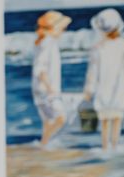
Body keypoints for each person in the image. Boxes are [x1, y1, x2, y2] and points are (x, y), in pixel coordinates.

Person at [84, 8, 124, 151]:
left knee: (104, 120)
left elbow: (92, 72)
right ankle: (114, 146)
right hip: (120, 89)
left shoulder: (97, 47)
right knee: (117, 119)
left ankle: (105, 146)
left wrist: (89, 90)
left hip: (102, 89)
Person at [32, 10, 72, 147]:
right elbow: (40, 70)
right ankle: (45, 142)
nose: (63, 31)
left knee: (48, 120)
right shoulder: (48, 43)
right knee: (61, 118)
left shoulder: (44, 42)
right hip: (46, 90)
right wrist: (50, 89)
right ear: (54, 28)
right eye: (62, 28)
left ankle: (44, 144)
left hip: (40, 89)